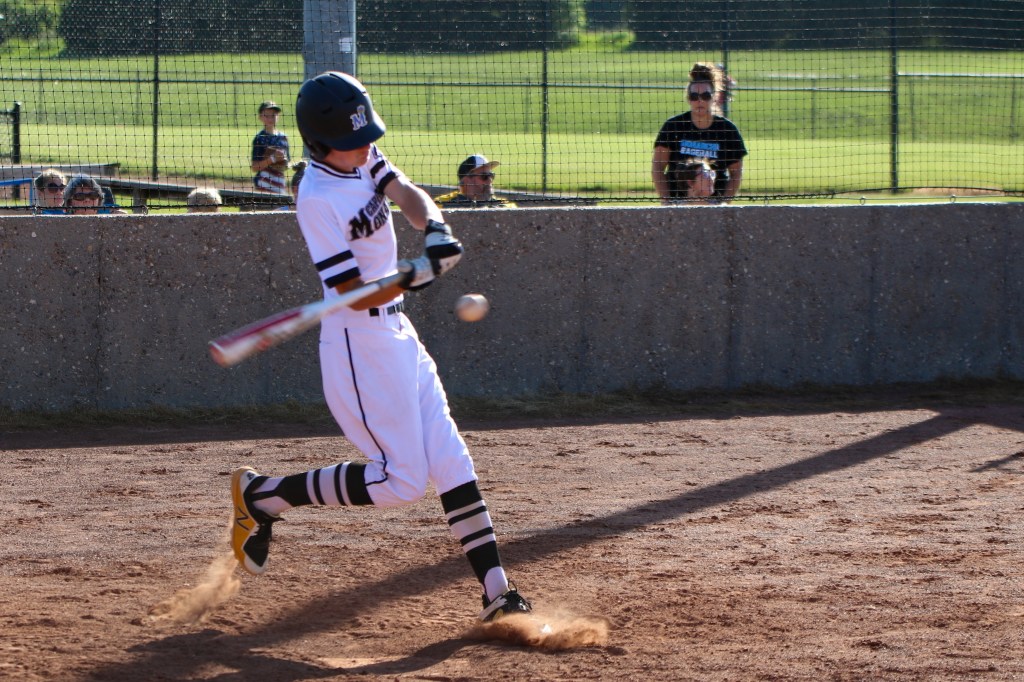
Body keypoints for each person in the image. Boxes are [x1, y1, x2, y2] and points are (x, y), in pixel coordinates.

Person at [230, 71, 532, 624]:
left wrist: (434, 228)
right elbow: (352, 289)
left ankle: (498, 593)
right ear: (322, 143)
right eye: (353, 140)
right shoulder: (316, 198)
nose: (366, 146)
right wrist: (416, 274)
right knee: (402, 481)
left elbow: (405, 192)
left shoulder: (361, 155)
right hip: (359, 345)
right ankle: (264, 496)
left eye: (367, 135)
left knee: (451, 457)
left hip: (398, 333)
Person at [652, 62, 747, 203]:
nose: (699, 100)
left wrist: (724, 204)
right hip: (678, 203)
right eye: (694, 96)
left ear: (714, 97)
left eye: (705, 95)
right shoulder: (673, 126)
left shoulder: (727, 130)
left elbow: (736, 173)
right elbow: (658, 167)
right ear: (688, 98)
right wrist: (667, 202)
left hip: (713, 204)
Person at [434, 155, 516, 208]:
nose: (489, 180)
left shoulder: (506, 206)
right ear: (466, 180)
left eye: (491, 175)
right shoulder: (442, 205)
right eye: (484, 176)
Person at [250, 100, 290, 194]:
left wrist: (295, 165)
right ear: (260, 117)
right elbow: (255, 167)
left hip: (279, 184)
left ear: (278, 116)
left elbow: (287, 164)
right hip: (263, 185)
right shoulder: (259, 139)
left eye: (273, 115)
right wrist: (273, 159)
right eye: (266, 115)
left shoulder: (283, 138)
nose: (270, 118)